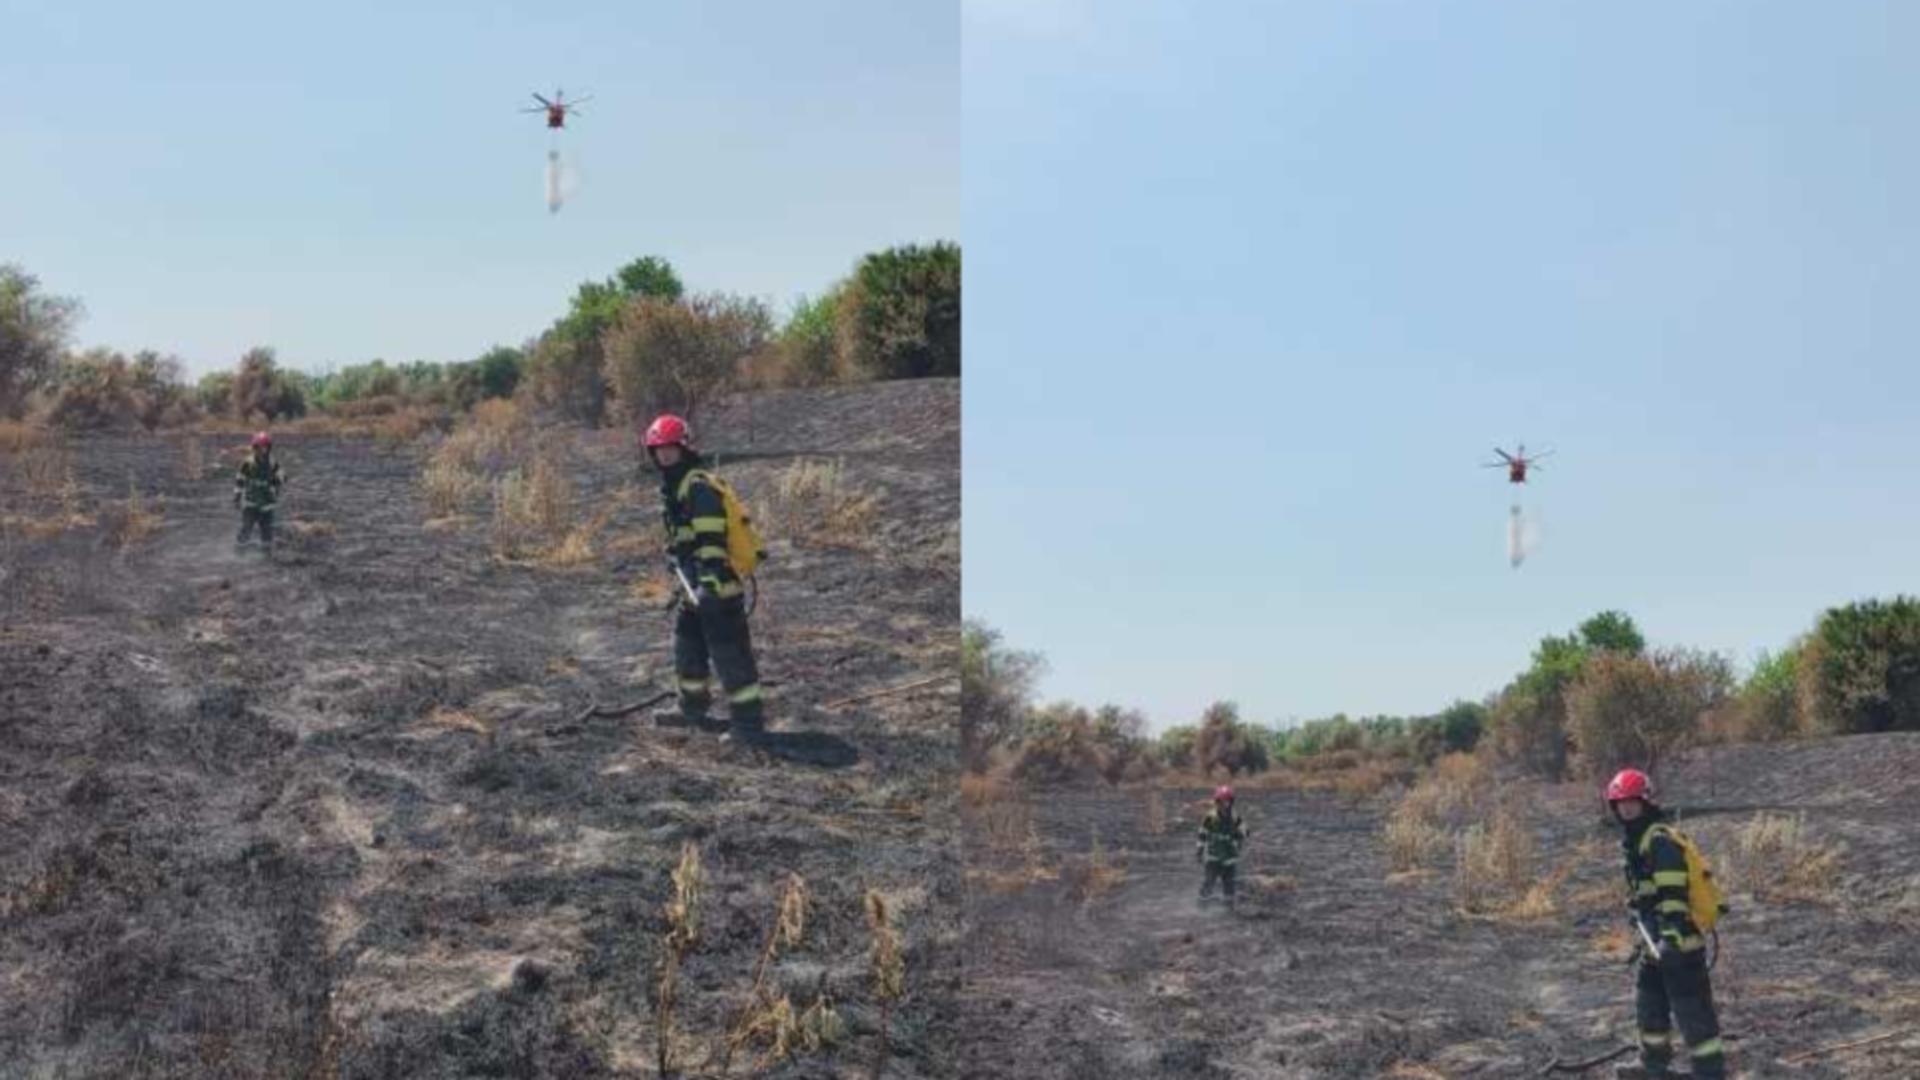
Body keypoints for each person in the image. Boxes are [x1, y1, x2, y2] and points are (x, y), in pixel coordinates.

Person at [642, 413, 767, 745]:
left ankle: (749, 725)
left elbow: (711, 541)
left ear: (685, 448)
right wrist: (675, 557)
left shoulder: (698, 487)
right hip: (692, 589)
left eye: (670, 448)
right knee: (687, 650)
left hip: (717, 590)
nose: (664, 455)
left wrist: (709, 583)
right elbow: (684, 538)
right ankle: (692, 709)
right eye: (659, 449)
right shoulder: (674, 486)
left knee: (730, 656)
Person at [1606, 768, 1727, 1080]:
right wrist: (1637, 907)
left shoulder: (1659, 839)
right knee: (1650, 1008)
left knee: (1693, 1015)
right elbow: (1649, 891)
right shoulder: (1636, 840)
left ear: (1646, 802)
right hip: (1653, 944)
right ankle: (1653, 1067)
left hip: (1679, 945)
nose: (1626, 808)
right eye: (1620, 803)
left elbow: (1673, 893)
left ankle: (1710, 1073)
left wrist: (1671, 937)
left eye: (1632, 801)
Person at [1196, 785, 1250, 904]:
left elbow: (1246, 831)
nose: (1223, 805)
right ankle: (1202, 905)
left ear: (1231, 802)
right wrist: (1199, 850)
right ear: (1216, 802)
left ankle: (1228, 908)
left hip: (1229, 858)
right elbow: (1202, 833)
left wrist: (1238, 834)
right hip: (1213, 857)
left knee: (1229, 884)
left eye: (1226, 801)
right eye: (1220, 802)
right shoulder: (1211, 817)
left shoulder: (1235, 817)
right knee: (1209, 882)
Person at [234, 431, 285, 549]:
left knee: (267, 530)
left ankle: (266, 553)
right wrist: (237, 496)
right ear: (254, 448)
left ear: (268, 448)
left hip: (267, 503)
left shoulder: (272, 463)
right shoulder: (248, 463)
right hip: (250, 503)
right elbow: (239, 479)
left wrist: (275, 481)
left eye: (265, 447)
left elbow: (283, 476)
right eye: (258, 447)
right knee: (246, 527)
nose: (262, 450)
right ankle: (240, 549)